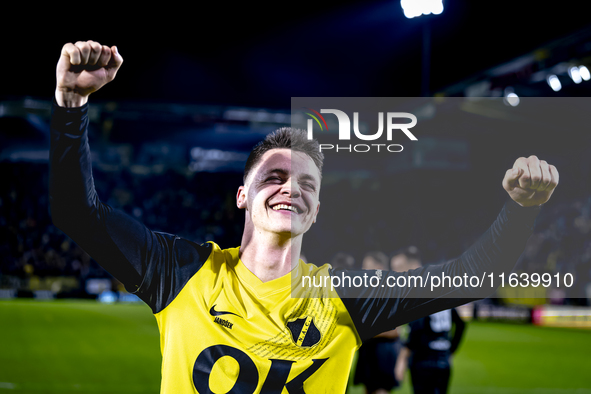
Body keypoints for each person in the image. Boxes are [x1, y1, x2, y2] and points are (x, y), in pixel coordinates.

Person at [49, 40, 559, 393]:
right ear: (242, 195)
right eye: (273, 177)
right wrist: (71, 105)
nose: (291, 187)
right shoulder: (181, 272)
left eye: (307, 184)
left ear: (316, 211)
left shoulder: (346, 299)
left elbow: (470, 277)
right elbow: (77, 214)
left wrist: (522, 209)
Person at [354, 252, 401, 394]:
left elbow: (395, 330)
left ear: (379, 268)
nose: (363, 270)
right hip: (369, 351)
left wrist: (364, 331)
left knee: (380, 390)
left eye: (366, 267)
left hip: (383, 353)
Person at [395, 308, 466, 394]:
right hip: (443, 360)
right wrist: (451, 350)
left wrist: (402, 361)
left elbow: (414, 335)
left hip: (422, 361)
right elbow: (461, 324)